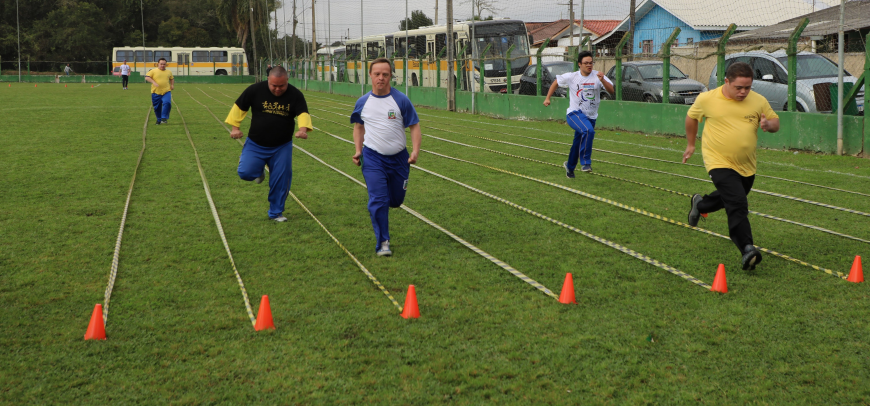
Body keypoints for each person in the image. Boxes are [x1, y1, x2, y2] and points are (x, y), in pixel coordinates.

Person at [682, 62, 780, 271]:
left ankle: (700, 205)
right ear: (726, 81)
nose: (744, 92)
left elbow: (775, 122)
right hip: (718, 161)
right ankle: (747, 248)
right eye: (739, 88)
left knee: (731, 197)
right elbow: (691, 117)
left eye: (748, 87)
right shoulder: (707, 99)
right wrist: (691, 144)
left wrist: (768, 125)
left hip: (747, 165)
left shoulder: (758, 101)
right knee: (737, 202)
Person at [351, 58, 421, 257]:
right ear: (370, 75)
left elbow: (414, 125)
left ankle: (388, 202)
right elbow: (358, 126)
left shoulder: (401, 100)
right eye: (377, 74)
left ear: (391, 76)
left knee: (396, 201)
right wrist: (358, 150)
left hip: (399, 159)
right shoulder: (363, 102)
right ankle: (383, 242)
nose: (381, 78)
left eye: (385, 74)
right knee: (379, 199)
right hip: (372, 158)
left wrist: (415, 151)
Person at [225, 66, 312, 222]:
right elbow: (239, 107)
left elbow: (303, 113)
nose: (278, 89)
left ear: (287, 81)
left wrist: (303, 130)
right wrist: (235, 128)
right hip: (256, 143)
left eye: (281, 86)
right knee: (245, 173)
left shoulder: (295, 95)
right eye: (274, 86)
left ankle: (276, 212)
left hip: (282, 146)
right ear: (268, 80)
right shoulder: (254, 90)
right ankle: (258, 171)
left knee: (281, 180)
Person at [543, 50, 614, 177]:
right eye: (586, 63)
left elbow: (611, 90)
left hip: (591, 116)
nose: (589, 65)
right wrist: (548, 98)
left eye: (591, 63)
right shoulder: (572, 76)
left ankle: (569, 167)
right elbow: (556, 82)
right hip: (574, 114)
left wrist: (603, 80)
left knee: (577, 144)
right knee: (588, 131)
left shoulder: (598, 76)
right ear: (579, 64)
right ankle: (586, 163)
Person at [144, 58, 174, 125]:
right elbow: (147, 77)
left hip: (166, 91)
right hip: (156, 92)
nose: (162, 65)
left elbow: (171, 78)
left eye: (164, 64)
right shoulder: (153, 71)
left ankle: (164, 118)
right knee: (157, 107)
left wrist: (172, 85)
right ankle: (159, 120)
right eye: (161, 64)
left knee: (167, 103)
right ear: (158, 64)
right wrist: (154, 82)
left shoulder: (169, 72)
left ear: (166, 64)